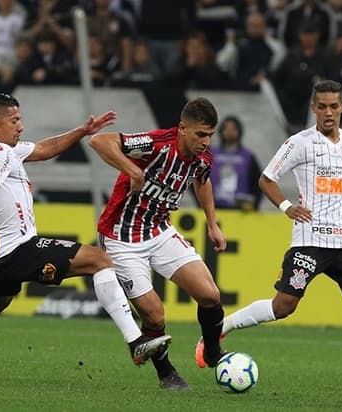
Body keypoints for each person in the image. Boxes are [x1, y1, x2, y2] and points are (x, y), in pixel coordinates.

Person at [0, 93, 171, 380]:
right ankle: (136, 341)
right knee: (99, 260)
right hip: (18, 251)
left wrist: (83, 131)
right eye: (15, 120)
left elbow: (45, 148)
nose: (20, 126)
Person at [195, 80, 342, 395]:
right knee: (284, 306)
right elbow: (266, 179)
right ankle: (222, 328)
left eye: (333, 106)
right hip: (309, 241)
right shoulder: (299, 143)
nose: (328, 113)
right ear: (314, 108)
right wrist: (286, 206)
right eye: (322, 106)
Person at [89, 97, 227, 390]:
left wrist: (212, 223)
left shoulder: (202, 158)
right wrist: (134, 170)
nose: (206, 142)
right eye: (200, 134)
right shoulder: (156, 144)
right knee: (155, 313)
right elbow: (100, 141)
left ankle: (213, 352)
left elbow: (202, 180)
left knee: (210, 295)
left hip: (159, 231)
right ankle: (167, 375)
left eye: (210, 135)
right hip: (121, 238)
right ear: (182, 128)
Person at [210, 116, 262, 211]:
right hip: (215, 207)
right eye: (226, 129)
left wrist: (254, 205)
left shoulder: (248, 156)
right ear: (221, 131)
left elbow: (258, 182)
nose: (230, 132)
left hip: (241, 210)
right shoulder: (211, 154)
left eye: (233, 129)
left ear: (239, 131)